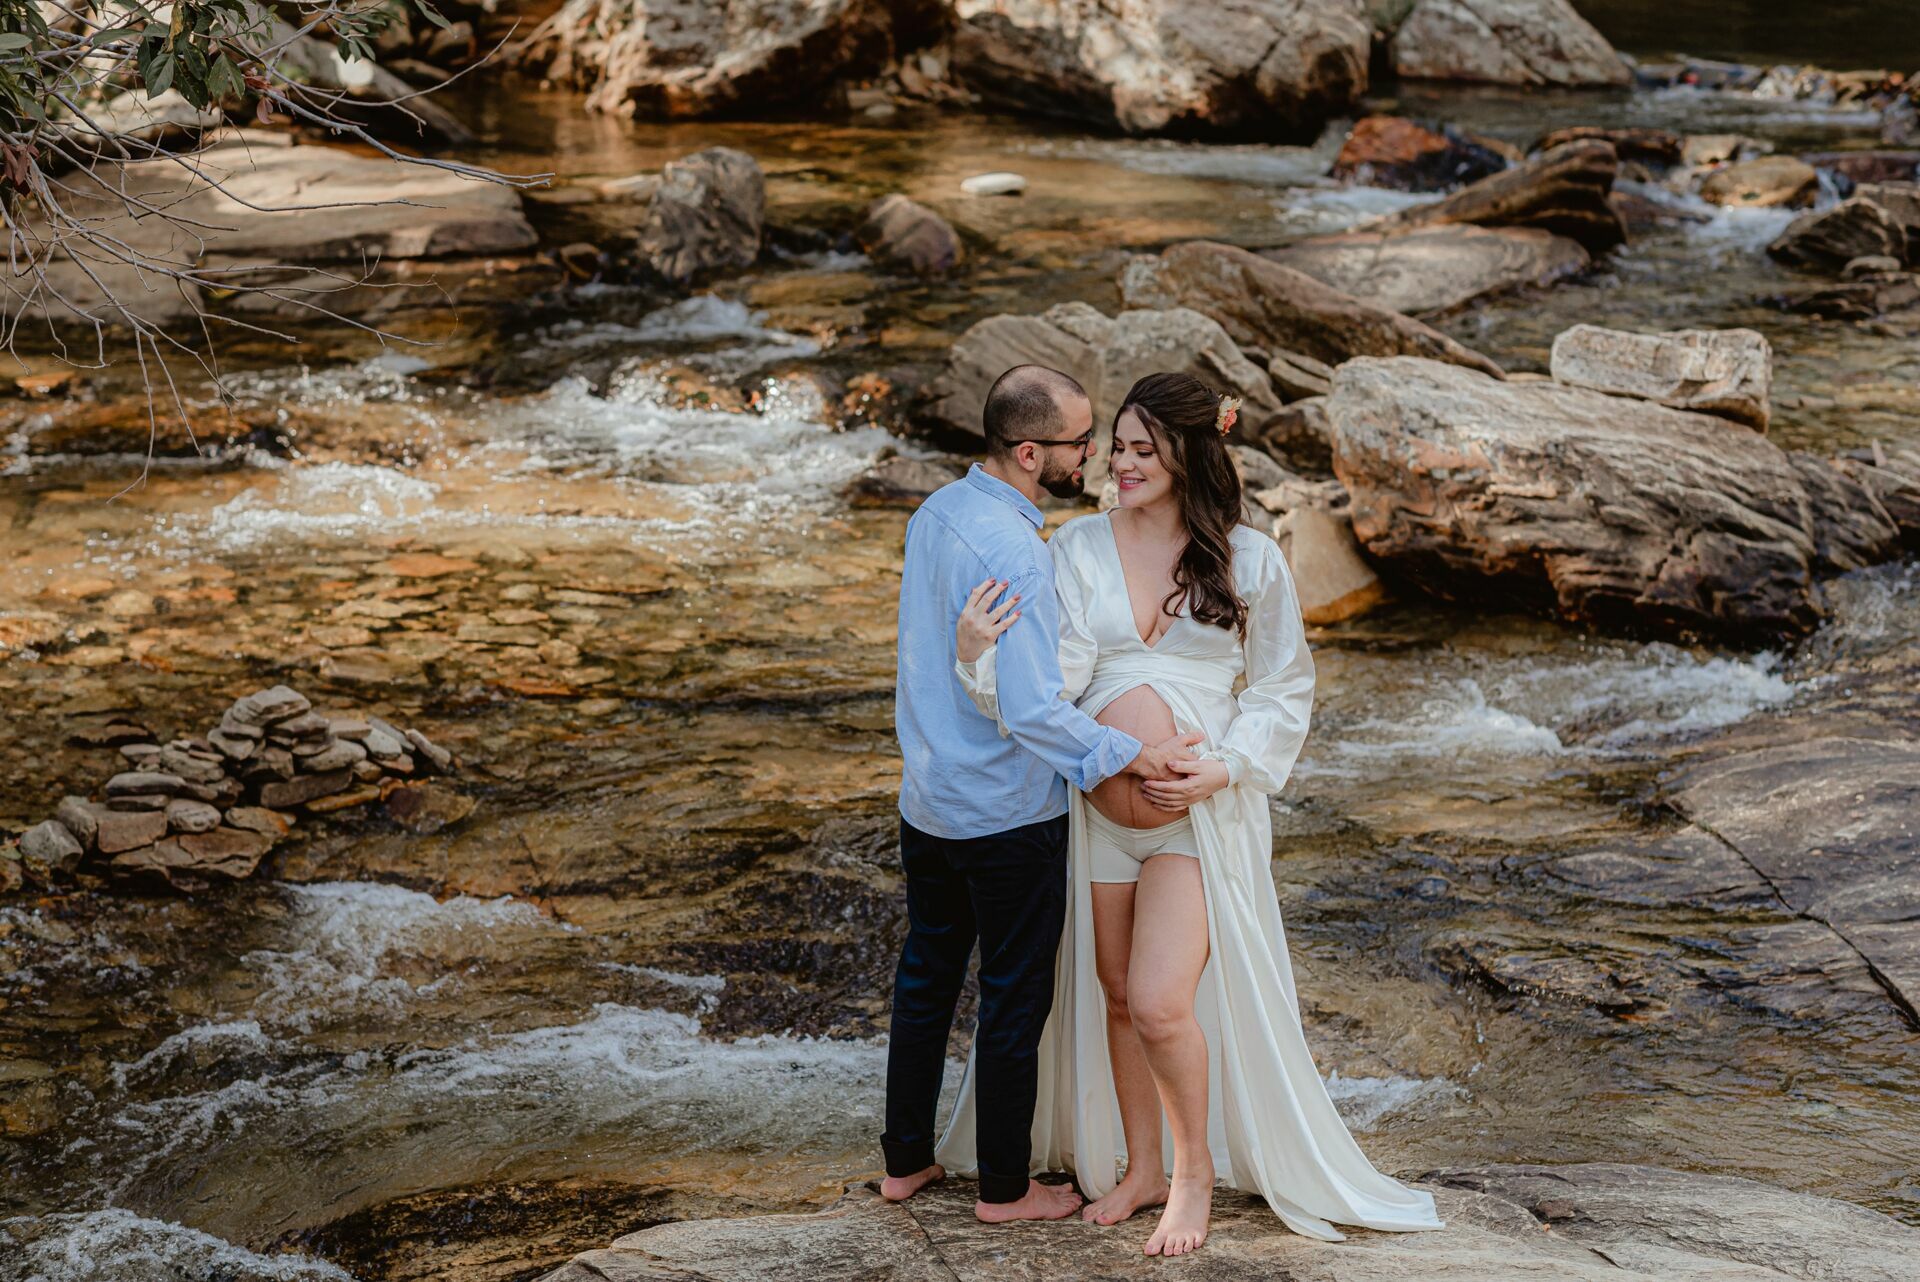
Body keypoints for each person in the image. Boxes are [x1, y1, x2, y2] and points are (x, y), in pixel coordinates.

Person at [937, 372, 1443, 1256]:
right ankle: (1141, 1168)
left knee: (1166, 1003)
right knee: (1121, 997)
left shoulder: (1251, 559)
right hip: (1098, 819)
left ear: (1189, 456)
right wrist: (975, 657)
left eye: (1142, 452)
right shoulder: (1079, 549)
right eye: (1117, 448)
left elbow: (1285, 688)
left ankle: (1194, 1173)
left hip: (1198, 817)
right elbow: (1041, 686)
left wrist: (1224, 769)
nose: (1119, 466)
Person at [884, 364, 1202, 1225]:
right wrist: (1130, 754)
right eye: (1081, 442)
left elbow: (928, 660)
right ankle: (1005, 1190)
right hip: (1005, 814)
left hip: (929, 798)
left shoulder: (936, 512)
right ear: (1031, 453)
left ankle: (904, 1164)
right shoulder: (1020, 552)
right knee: (1015, 998)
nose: (1092, 455)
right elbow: (1030, 709)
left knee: (925, 979)